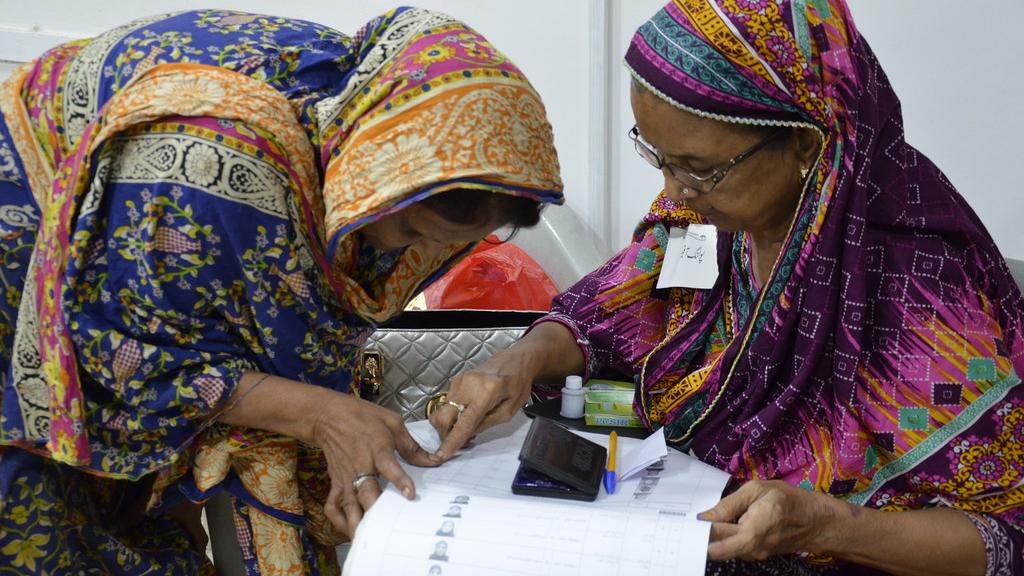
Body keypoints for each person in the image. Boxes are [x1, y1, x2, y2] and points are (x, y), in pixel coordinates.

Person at [431, 1, 1024, 574]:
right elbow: (608, 309)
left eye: (697, 167)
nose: (674, 190)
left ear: (804, 143)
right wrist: (521, 359)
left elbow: (1005, 538)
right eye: (656, 156)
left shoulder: (915, 292)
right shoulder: (709, 220)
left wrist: (828, 526)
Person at [0, 7, 563, 575]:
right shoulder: (206, 168)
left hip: (159, 241)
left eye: (449, 244)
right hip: (30, 242)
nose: (406, 255)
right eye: (413, 231)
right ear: (371, 174)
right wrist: (321, 415)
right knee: (53, 521)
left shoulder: (374, 111)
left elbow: (280, 322)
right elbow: (119, 355)